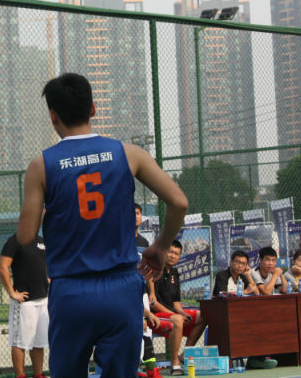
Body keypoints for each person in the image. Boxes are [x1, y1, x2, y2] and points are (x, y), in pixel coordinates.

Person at [17, 73, 188, 378]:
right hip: (121, 288)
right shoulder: (129, 154)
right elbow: (179, 202)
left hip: (71, 291)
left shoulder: (41, 165)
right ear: (93, 109)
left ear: (53, 116)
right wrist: (161, 246)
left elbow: (26, 235)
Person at [150, 240, 207, 376]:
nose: (172, 256)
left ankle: (185, 355)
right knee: (177, 319)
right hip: (154, 317)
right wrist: (175, 315)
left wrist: (182, 312)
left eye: (176, 253)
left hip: (171, 315)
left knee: (203, 315)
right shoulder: (154, 271)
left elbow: (176, 302)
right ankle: (174, 362)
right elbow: (153, 303)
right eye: (170, 252)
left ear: (180, 256)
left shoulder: (175, 273)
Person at [0, 233, 49, 378]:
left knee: (39, 343)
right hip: (24, 303)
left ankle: (38, 375)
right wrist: (12, 292)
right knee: (19, 343)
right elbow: (2, 267)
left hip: (43, 300)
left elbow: (47, 263)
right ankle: (20, 375)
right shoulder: (15, 241)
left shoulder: (42, 241)